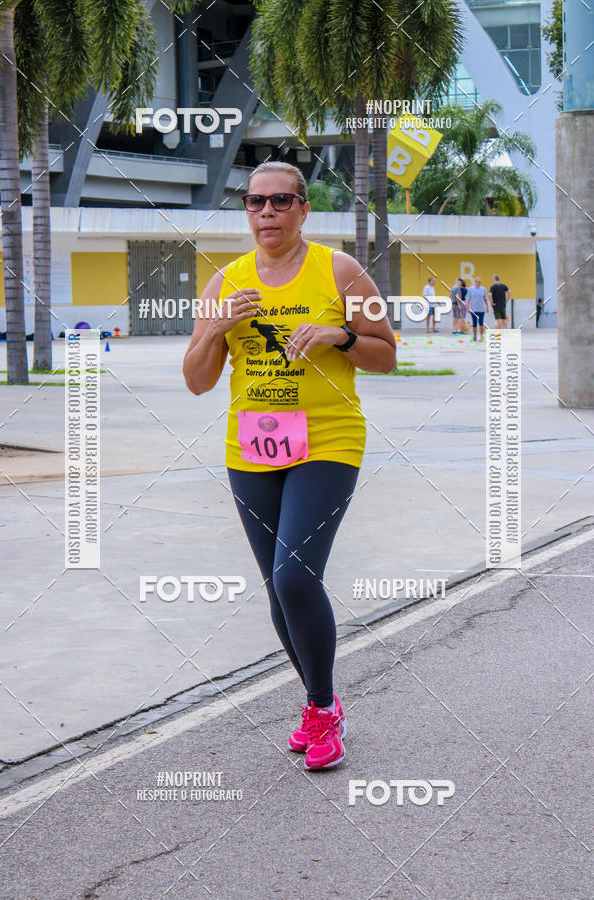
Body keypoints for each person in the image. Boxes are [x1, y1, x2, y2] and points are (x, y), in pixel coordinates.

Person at [182, 161, 396, 771]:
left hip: (328, 440)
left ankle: (324, 708)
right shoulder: (225, 282)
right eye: (255, 202)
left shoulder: (342, 272)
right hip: (252, 447)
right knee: (279, 584)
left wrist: (339, 337)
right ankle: (317, 705)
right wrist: (216, 329)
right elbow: (197, 382)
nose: (267, 213)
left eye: (280, 202)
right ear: (246, 210)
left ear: (303, 208)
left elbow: (386, 356)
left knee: (296, 575)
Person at [466, 276, 489, 341]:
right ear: (475, 282)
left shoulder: (483, 289)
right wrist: (468, 307)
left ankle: (482, 337)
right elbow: (468, 299)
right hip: (473, 309)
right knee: (474, 323)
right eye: (478, 282)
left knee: (481, 323)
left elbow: (485, 299)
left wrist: (487, 306)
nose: (479, 283)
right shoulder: (471, 289)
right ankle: (475, 337)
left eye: (480, 282)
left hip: (481, 309)